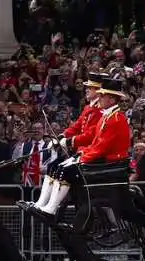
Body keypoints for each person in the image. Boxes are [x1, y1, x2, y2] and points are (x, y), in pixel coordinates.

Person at [31, 77, 131, 219]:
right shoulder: (107, 116)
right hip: (99, 156)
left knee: (66, 169)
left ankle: (51, 208)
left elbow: (101, 147)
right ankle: (45, 205)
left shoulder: (116, 119)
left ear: (112, 100)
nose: (99, 98)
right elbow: (96, 142)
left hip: (111, 161)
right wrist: (79, 150)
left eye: (103, 96)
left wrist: (81, 156)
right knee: (59, 167)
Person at [31, 72, 105, 211]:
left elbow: (90, 135)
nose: (87, 89)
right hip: (81, 151)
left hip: (89, 153)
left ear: (99, 91)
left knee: (62, 169)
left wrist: (69, 141)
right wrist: (61, 136)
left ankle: (51, 208)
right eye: (87, 87)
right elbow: (77, 126)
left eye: (91, 87)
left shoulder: (100, 111)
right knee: (52, 166)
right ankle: (41, 204)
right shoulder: (88, 108)